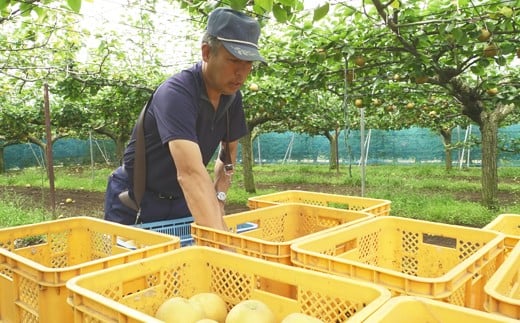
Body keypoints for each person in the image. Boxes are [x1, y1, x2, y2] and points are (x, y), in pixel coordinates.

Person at [103, 7, 265, 231]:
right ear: (207, 52)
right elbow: (190, 173)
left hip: (182, 200)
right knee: (137, 264)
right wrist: (222, 241)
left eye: (249, 64)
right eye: (234, 61)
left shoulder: (232, 98)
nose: (242, 73)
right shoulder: (176, 93)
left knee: (183, 263)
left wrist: (218, 199)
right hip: (137, 198)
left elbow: (228, 157)